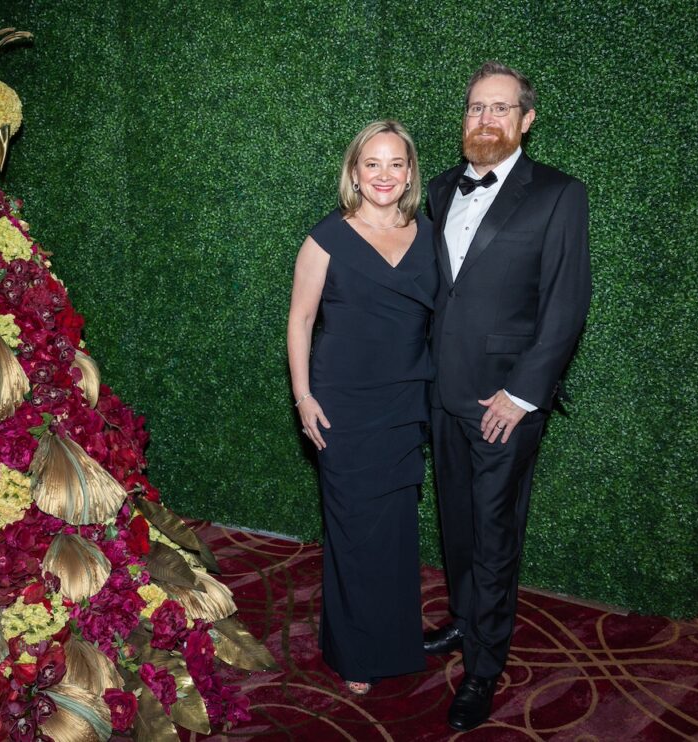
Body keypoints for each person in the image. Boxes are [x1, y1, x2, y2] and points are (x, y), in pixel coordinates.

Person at [424, 61, 592, 731]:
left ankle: (485, 667)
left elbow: (566, 306)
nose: (485, 119)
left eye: (500, 109)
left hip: (503, 402)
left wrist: (521, 397)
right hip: (441, 393)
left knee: (494, 534)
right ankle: (466, 624)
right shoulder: (437, 188)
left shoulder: (558, 194)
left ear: (526, 120)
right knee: (458, 524)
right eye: (475, 108)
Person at [287, 120, 437, 695]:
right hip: (341, 403)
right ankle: (354, 650)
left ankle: (395, 641)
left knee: (396, 528)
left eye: (395, 163)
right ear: (354, 171)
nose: (383, 175)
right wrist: (303, 397)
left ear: (409, 172)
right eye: (371, 164)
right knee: (352, 528)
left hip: (405, 401)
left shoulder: (428, 233)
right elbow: (300, 320)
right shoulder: (325, 238)